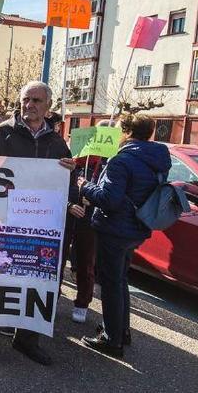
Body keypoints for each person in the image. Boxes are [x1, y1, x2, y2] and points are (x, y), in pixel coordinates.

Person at [0, 81, 77, 366]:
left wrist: (70, 174)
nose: (29, 105)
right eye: (25, 99)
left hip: (39, 228)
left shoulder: (56, 142)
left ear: (48, 106)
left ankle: (27, 340)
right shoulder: (1, 133)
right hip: (5, 223)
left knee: (34, 284)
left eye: (36, 101)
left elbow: (67, 184)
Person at [78, 114, 169, 359]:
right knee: (120, 280)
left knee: (111, 283)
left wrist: (85, 185)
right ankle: (120, 330)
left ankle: (112, 339)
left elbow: (109, 199)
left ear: (126, 131)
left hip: (115, 229)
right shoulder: (157, 157)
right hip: (137, 228)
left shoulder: (122, 160)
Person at [67, 119, 112, 324]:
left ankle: (82, 303)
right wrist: (71, 202)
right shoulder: (77, 158)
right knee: (57, 258)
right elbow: (60, 183)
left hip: (90, 219)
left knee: (86, 263)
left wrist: (90, 198)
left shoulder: (111, 163)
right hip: (68, 214)